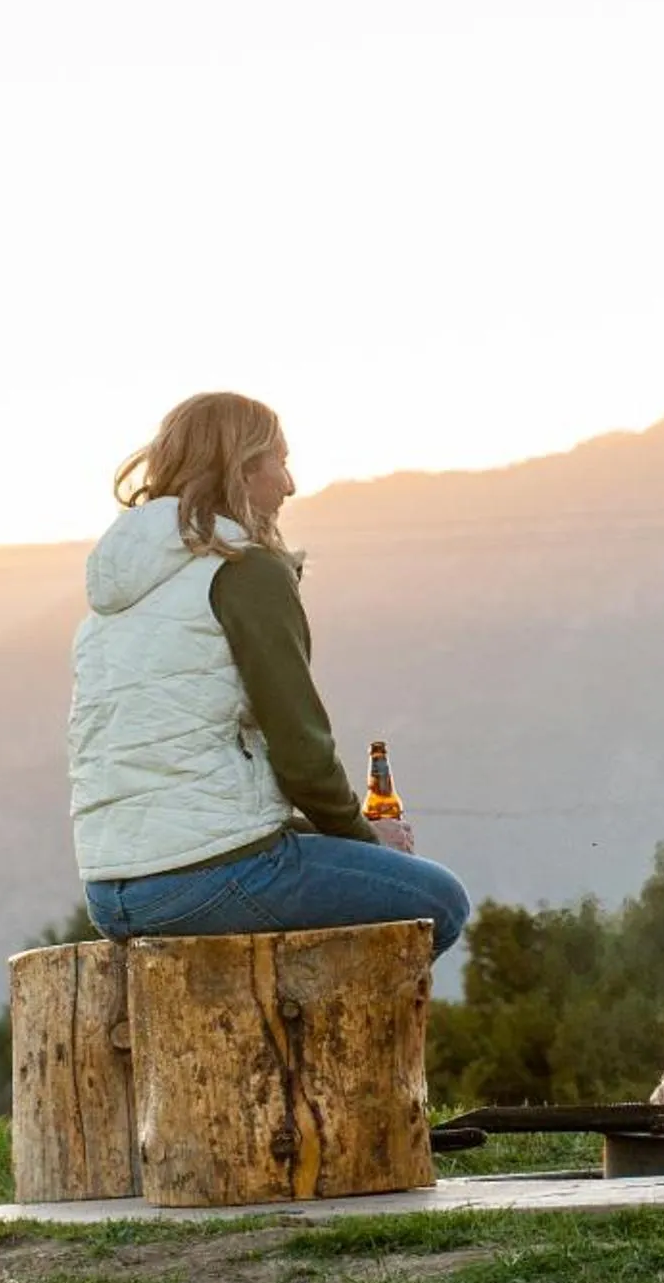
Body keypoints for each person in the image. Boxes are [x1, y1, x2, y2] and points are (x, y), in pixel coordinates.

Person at [68, 392, 472, 955]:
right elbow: (302, 754)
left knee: (340, 859)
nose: (290, 484)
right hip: (201, 876)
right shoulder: (244, 570)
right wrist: (365, 839)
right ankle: (312, 1043)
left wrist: (348, 835)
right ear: (242, 468)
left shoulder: (117, 595)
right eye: (279, 462)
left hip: (113, 890)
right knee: (440, 901)